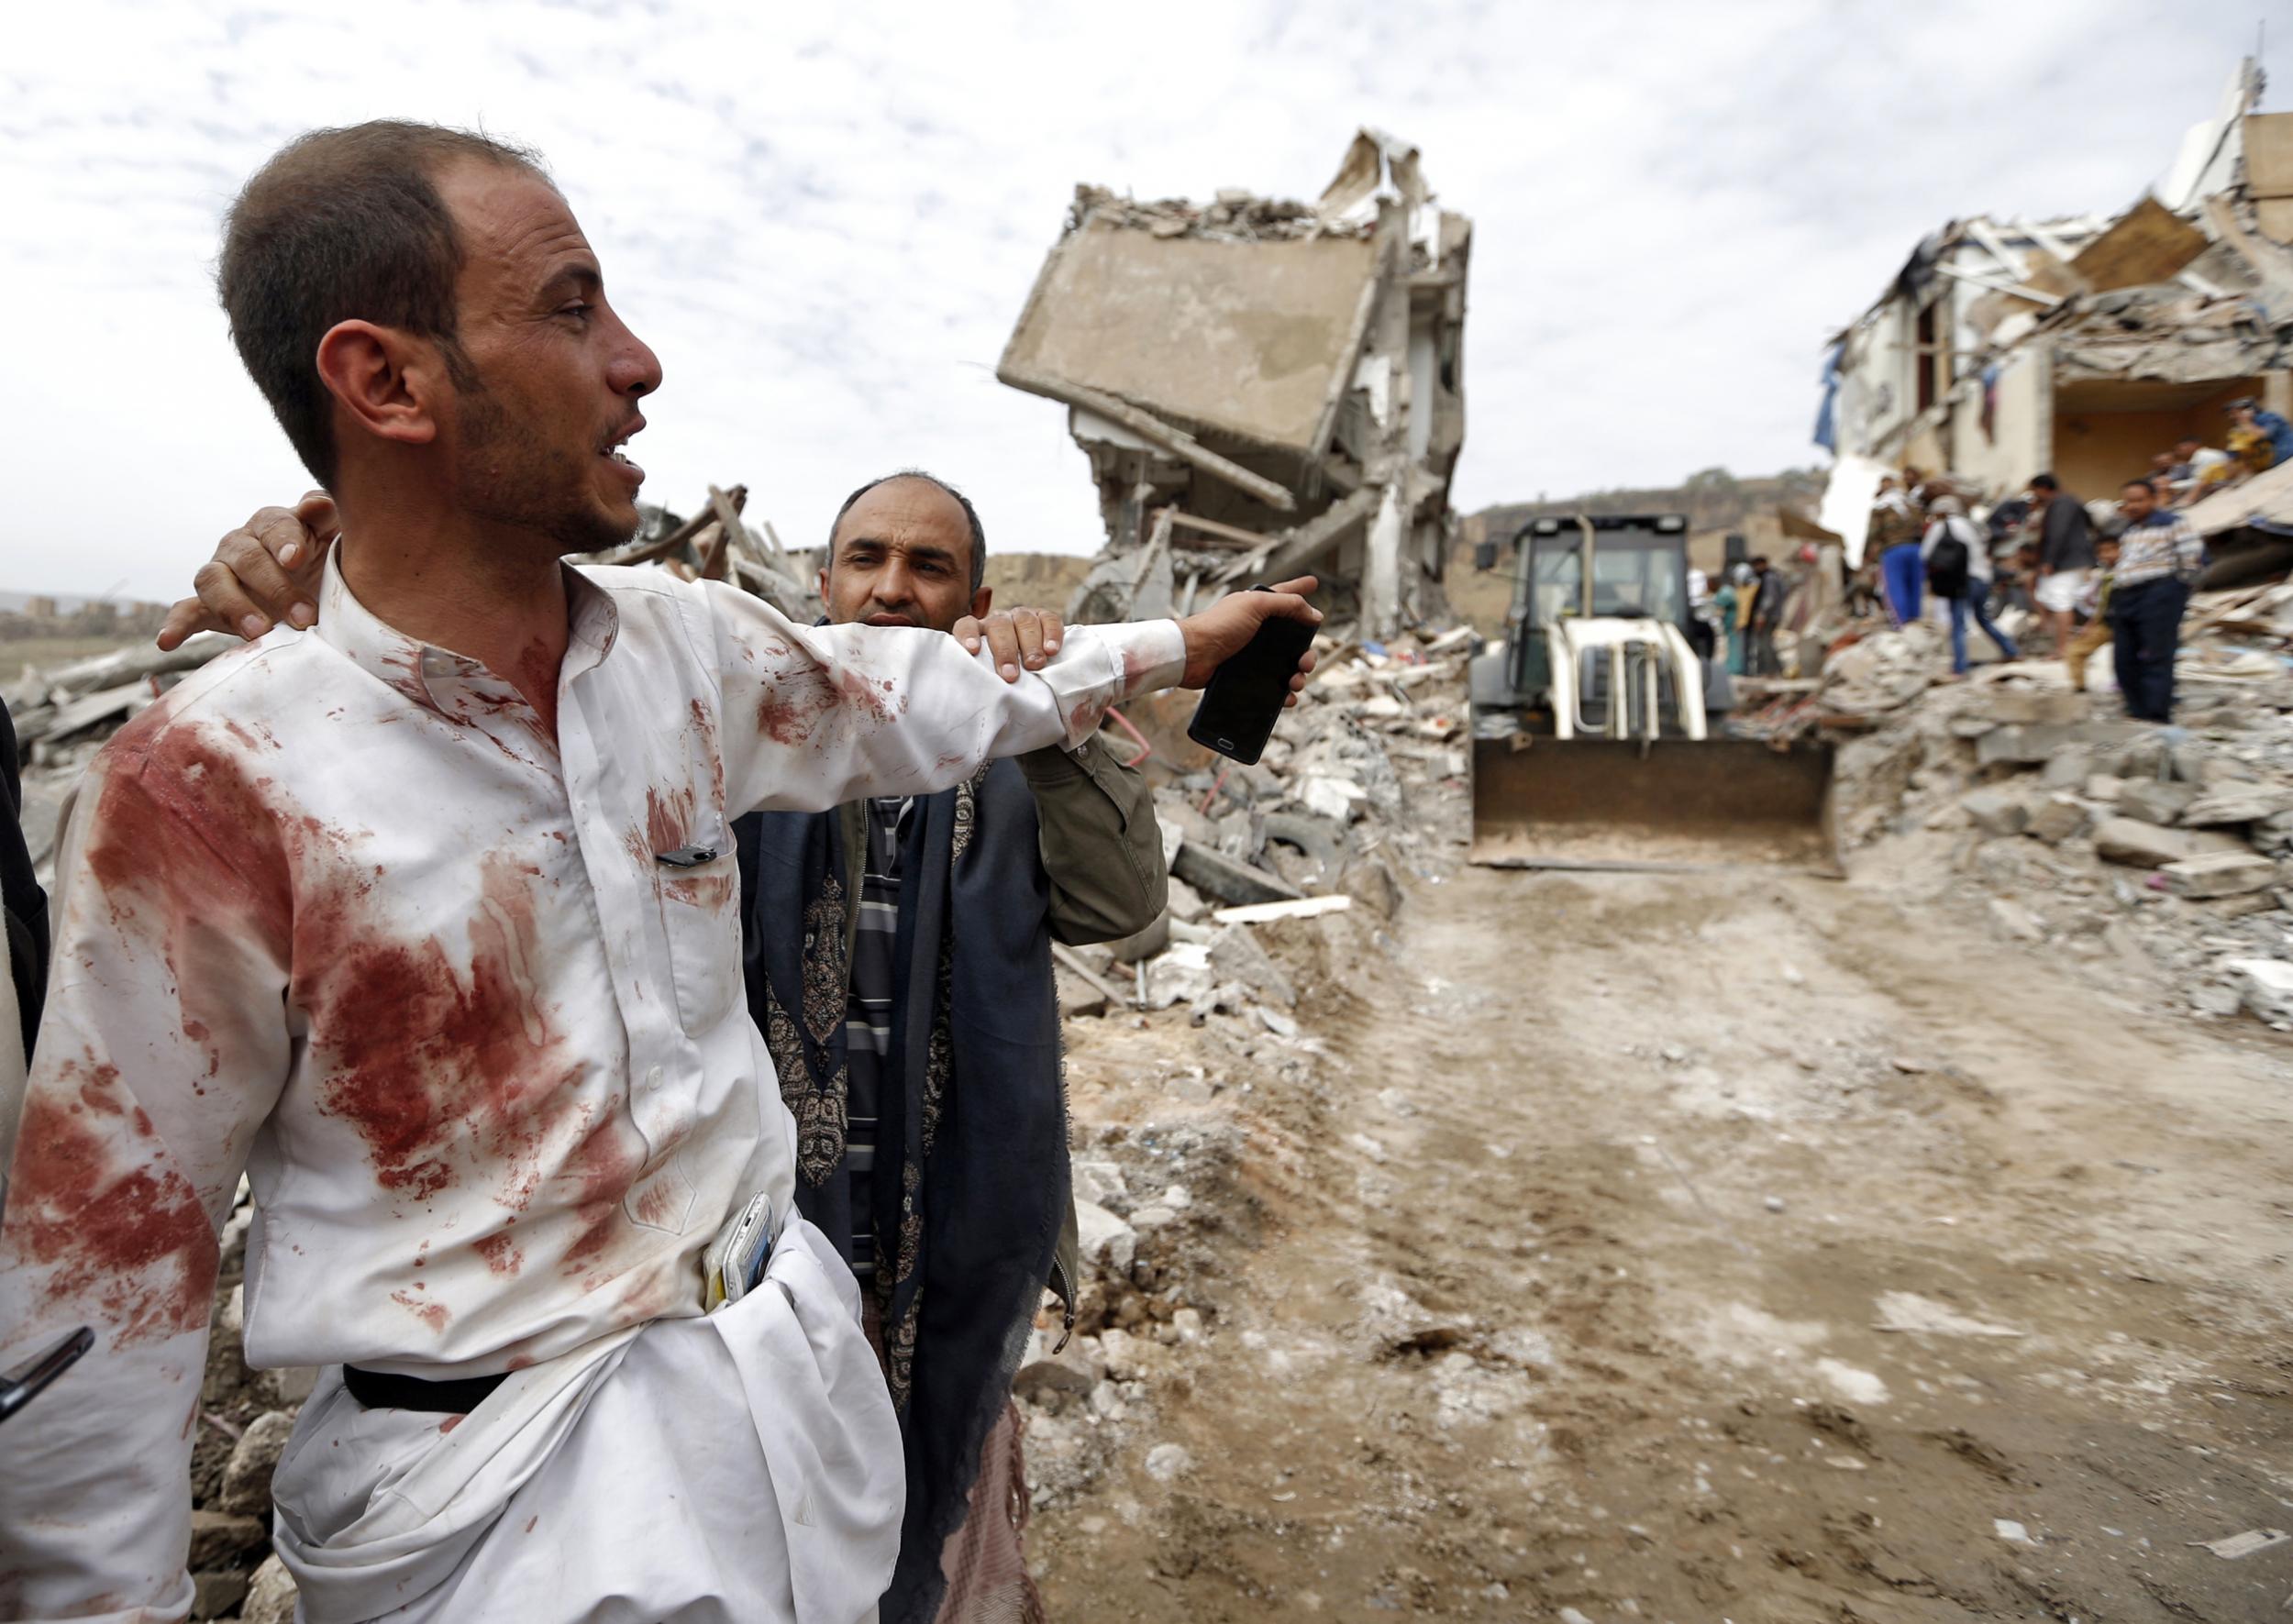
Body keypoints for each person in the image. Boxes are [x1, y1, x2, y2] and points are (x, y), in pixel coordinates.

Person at [0, 119, 1319, 1624]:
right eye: (572, 308)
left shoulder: (684, 658)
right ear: (386, 381)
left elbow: (939, 700)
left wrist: (1163, 650)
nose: (639, 360)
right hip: (504, 1510)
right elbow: (104, 1294)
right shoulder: (208, 788)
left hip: (783, 1404)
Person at [178, 468, 1167, 1624]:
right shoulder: (707, 728)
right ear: (820, 580)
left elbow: (1125, 910)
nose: (892, 588)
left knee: (941, 1473)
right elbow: (500, 717)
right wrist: (351, 586)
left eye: (929, 567)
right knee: (764, 1514)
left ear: (977, 594)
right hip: (752, 1246)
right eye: (867, 559)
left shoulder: (1009, 746)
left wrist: (1051, 712)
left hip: (954, 1210)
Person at [2109, 476, 2206, 723]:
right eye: (2129, 501)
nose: (2133, 506)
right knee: (2124, 658)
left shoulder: (2173, 523)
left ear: (2153, 499)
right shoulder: (2129, 531)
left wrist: (2175, 590)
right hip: (2126, 595)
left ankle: (2156, 715)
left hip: (2159, 592)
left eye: (2139, 500)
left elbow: (2191, 559)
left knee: (2156, 654)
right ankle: (2137, 710)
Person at [1919, 495, 2017, 675]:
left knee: (1958, 623)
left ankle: (1959, 667)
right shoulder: (1971, 525)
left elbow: (1925, 554)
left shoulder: (1940, 527)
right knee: (1982, 619)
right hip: (1983, 578)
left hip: (1961, 581)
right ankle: (2010, 650)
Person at [2027, 473, 2094, 656]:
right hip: (2070, 559)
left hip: (2066, 561)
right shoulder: (2068, 502)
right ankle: (2059, 641)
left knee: (2060, 602)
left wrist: (2049, 560)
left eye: (2034, 491)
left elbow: (2058, 533)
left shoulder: (2062, 504)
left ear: (2042, 489)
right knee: (2044, 593)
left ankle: (2063, 648)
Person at [2064, 535, 2120, 692]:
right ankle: (2079, 687)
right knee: (2075, 651)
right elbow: (2102, 603)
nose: (2107, 555)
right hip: (2106, 623)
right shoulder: (2104, 575)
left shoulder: (2131, 572)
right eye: (2102, 551)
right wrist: (2091, 624)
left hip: (2127, 622)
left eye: (2113, 549)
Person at [1873, 477, 1925, 626]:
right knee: (1915, 588)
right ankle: (1915, 623)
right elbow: (1922, 525)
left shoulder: (1881, 507)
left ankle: (1901, 625)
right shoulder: (1911, 505)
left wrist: (1868, 555)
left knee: (1896, 588)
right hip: (1915, 549)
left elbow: (1873, 534)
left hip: (1893, 550)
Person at [1747, 554, 1786, 677]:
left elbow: (1770, 598)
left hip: (1768, 617)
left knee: (1765, 644)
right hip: (1770, 616)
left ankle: (1771, 671)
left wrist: (1761, 615)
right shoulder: (1768, 577)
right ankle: (1777, 670)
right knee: (1767, 643)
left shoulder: (1769, 578)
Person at [2229, 396, 2293, 470]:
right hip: (2269, 461)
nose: (2234, 417)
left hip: (2286, 452)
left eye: (2237, 412)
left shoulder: (2267, 417)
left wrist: (2246, 422)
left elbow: (2265, 434)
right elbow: (2235, 452)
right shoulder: (2242, 428)